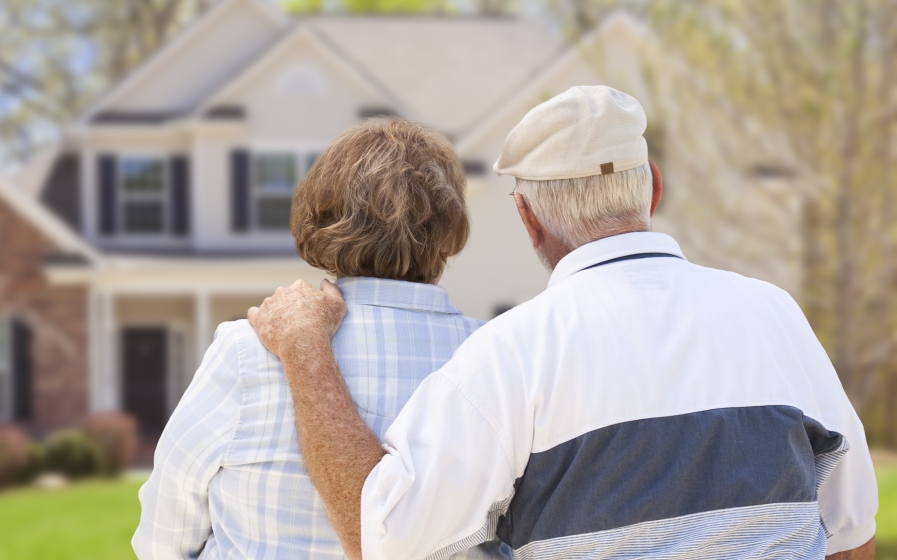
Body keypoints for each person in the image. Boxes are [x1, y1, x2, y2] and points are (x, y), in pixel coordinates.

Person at [247, 86, 879, 560]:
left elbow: (381, 538)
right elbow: (851, 533)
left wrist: (306, 349)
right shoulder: (774, 315)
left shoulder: (514, 353)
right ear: (651, 188)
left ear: (528, 220)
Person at [133, 118, 508, 559]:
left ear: (322, 222)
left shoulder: (248, 351)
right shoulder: (496, 360)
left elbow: (164, 533)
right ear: (448, 233)